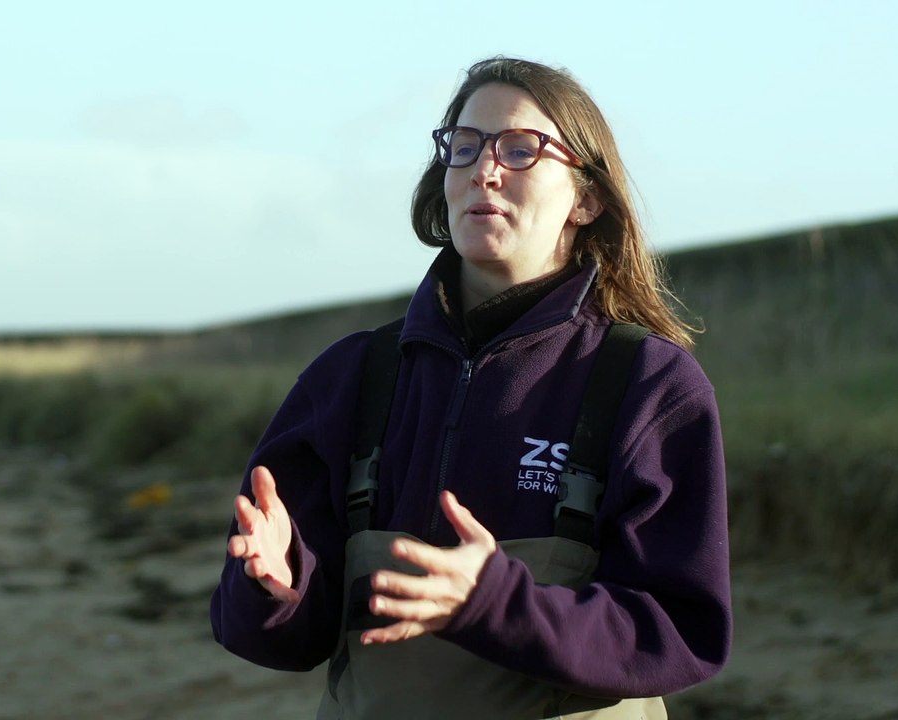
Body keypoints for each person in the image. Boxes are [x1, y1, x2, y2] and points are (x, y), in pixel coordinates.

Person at [210, 56, 731, 719]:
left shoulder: (652, 385)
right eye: (465, 146)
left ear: (587, 197)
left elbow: (679, 630)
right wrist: (276, 587)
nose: (486, 169)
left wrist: (494, 603)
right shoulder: (349, 378)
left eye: (522, 149)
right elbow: (274, 634)